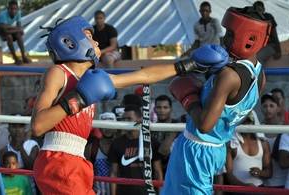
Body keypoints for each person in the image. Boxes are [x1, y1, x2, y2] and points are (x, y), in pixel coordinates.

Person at [31, 16, 222, 194]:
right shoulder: (58, 73)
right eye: (89, 36)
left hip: (75, 161)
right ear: (70, 43)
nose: (97, 42)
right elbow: (38, 125)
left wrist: (188, 64)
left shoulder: (94, 79)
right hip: (58, 161)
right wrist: (79, 98)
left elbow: (143, 76)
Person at [161, 6, 271, 195]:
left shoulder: (229, 75)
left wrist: (188, 97)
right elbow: (232, 110)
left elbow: (205, 124)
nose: (223, 39)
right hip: (216, 148)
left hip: (197, 148)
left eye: (230, 33)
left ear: (249, 38)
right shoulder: (260, 74)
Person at [108, 104, 163, 195]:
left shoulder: (151, 141)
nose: (125, 122)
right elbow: (114, 173)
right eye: (124, 119)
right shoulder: (117, 143)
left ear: (139, 119)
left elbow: (158, 172)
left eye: (129, 118)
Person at [226, 112, 272, 188]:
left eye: (249, 121)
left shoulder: (263, 143)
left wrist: (259, 173)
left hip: (258, 190)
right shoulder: (232, 144)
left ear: (254, 122)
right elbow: (228, 174)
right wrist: (244, 186)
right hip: (237, 191)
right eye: (243, 121)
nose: (246, 125)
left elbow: (269, 172)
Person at [260, 93, 288, 188]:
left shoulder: (286, 130)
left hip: (283, 182)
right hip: (263, 183)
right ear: (261, 108)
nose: (268, 109)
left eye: (271, 106)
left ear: (278, 108)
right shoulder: (257, 129)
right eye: (265, 106)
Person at [0, 0, 31, 65]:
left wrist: (16, 29)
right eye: (11, 9)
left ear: (17, 9)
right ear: (8, 9)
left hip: (9, 29)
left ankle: (24, 56)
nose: (13, 11)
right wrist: (17, 29)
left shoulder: (18, 13)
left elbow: (19, 25)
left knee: (18, 35)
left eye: (15, 9)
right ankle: (15, 58)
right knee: (9, 36)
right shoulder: (3, 15)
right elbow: (4, 29)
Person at [153, 95, 179, 176]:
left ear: (171, 109)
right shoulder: (151, 128)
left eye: (165, 107)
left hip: (176, 170)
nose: (162, 110)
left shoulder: (179, 126)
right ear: (154, 109)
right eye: (159, 107)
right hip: (156, 172)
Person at [253, 1, 281, 65]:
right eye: (256, 10)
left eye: (260, 9)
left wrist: (278, 51)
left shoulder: (268, 17)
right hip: (258, 46)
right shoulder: (253, 20)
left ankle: (260, 74)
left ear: (263, 9)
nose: (258, 12)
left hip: (270, 45)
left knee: (258, 57)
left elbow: (275, 35)